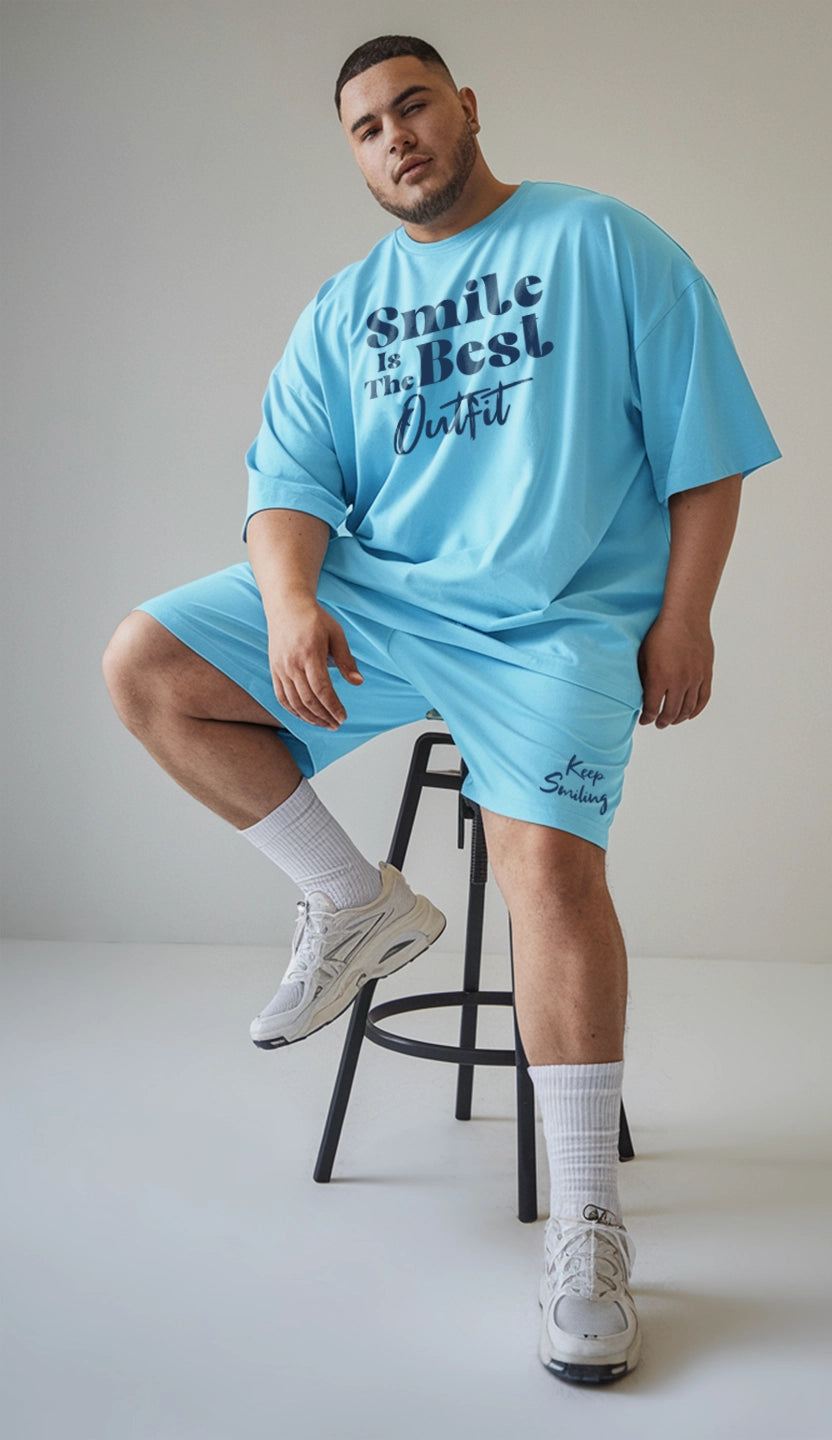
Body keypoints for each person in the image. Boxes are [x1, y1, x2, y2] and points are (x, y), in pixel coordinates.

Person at [103, 34, 780, 1384]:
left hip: (555, 620)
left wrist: (685, 615)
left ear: (465, 108)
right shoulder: (344, 306)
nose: (394, 137)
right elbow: (288, 486)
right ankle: (353, 902)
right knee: (148, 666)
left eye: (411, 106)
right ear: (355, 158)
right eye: (365, 128)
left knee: (547, 868)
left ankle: (586, 1226)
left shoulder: (599, 241)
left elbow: (706, 449)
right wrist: (292, 605)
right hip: (389, 607)